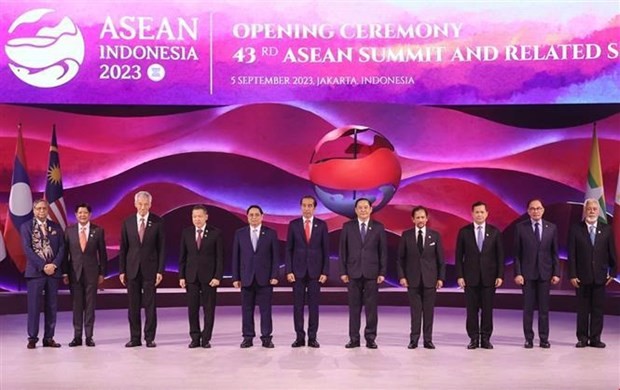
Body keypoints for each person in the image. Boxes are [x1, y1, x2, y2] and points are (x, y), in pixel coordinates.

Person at [568, 198, 617, 348]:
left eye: (594, 209)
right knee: (583, 309)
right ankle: (582, 338)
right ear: (585, 210)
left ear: (598, 211)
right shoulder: (576, 229)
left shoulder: (607, 229)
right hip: (582, 277)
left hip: (600, 276)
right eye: (589, 208)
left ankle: (595, 338)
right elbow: (572, 254)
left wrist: (613, 272)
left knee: (597, 309)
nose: (591, 211)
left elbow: (612, 253)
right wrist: (572, 274)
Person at [119, 191, 165, 348]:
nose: (143, 207)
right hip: (132, 269)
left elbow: (162, 248)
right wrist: (122, 271)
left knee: (150, 305)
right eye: (140, 204)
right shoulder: (128, 222)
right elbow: (123, 248)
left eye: (146, 204)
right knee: (133, 305)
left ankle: (150, 338)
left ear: (150, 205)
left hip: (150, 270)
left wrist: (160, 271)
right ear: (135, 204)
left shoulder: (157, 222)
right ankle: (135, 337)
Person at [455, 201, 504, 350]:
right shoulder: (464, 232)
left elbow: (500, 256)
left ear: (487, 214)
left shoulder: (495, 232)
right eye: (477, 212)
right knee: (471, 310)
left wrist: (500, 275)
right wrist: (460, 276)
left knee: (487, 310)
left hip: (489, 278)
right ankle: (474, 338)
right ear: (472, 214)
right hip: (470, 278)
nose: (479, 215)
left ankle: (486, 338)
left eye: (482, 212)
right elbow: (458, 256)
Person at [339, 198, 387, 349]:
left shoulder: (379, 227)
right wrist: (343, 271)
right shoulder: (347, 227)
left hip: (372, 273)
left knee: (371, 309)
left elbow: (383, 252)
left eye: (366, 207)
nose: (363, 210)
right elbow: (343, 251)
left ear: (371, 209)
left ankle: (370, 338)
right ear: (355, 210)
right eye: (360, 207)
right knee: (354, 308)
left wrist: (382, 272)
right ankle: (354, 338)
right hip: (353, 273)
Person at [513, 199, 560, 349]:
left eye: (538, 208)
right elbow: (517, 254)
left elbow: (554, 253)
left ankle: (544, 338)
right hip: (527, 275)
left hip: (545, 274)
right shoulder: (521, 228)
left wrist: (556, 272)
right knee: (528, 309)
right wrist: (518, 273)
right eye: (532, 209)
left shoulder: (551, 228)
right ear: (528, 211)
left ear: (543, 210)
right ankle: (528, 338)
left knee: (544, 309)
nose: (535, 211)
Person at [397, 205, 446, 349]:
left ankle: (428, 340)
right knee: (415, 311)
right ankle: (414, 339)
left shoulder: (435, 235)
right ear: (413, 219)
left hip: (430, 279)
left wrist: (440, 278)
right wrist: (402, 276)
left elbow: (440, 260)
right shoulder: (406, 235)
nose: (420, 220)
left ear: (427, 218)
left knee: (429, 311)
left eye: (422, 217)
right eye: (417, 217)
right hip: (412, 279)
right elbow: (400, 259)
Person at [232, 205, 279, 348]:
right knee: (246, 309)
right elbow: (236, 257)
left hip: (265, 278)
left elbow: (275, 256)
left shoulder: (270, 233)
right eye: (251, 215)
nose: (254, 217)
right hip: (246, 277)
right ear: (247, 217)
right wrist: (236, 278)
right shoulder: (240, 234)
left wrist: (274, 275)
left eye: (256, 215)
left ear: (262, 216)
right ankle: (248, 337)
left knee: (266, 310)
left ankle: (266, 338)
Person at [285, 195, 330, 348]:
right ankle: (299, 337)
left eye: (310, 205)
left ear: (314, 208)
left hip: (315, 273)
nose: (307, 208)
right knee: (297, 306)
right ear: (301, 207)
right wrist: (289, 270)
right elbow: (289, 249)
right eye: (304, 205)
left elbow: (325, 250)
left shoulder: (322, 225)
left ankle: (312, 338)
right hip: (297, 272)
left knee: (313, 306)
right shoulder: (293, 225)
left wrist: (325, 271)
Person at [21, 199, 65, 349]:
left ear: (47, 210)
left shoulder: (56, 227)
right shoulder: (26, 227)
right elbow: (27, 249)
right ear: (34, 210)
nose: (41, 211)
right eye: (38, 208)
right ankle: (32, 338)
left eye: (44, 209)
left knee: (51, 306)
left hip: (53, 272)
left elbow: (62, 248)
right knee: (34, 306)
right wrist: (42, 266)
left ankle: (49, 338)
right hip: (35, 273)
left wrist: (54, 265)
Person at [178, 205, 224, 349]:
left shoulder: (215, 233)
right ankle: (195, 337)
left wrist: (217, 276)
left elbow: (219, 257)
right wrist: (181, 276)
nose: (197, 219)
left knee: (209, 309)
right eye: (194, 216)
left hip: (209, 278)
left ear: (206, 217)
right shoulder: (186, 233)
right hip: (191, 277)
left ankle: (206, 338)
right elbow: (182, 257)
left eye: (199, 216)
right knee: (192, 308)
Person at [63, 203, 108, 347]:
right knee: (77, 305)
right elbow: (65, 254)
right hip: (74, 274)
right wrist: (65, 272)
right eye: (80, 213)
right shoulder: (69, 231)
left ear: (90, 215)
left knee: (90, 305)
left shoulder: (98, 231)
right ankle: (77, 336)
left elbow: (103, 254)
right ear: (76, 215)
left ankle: (89, 336)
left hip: (92, 274)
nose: (83, 215)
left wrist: (102, 273)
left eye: (85, 212)